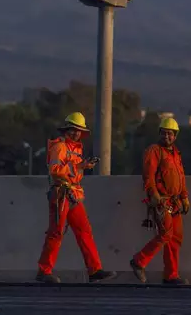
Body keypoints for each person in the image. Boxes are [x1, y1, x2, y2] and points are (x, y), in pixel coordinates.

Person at [36, 112, 117, 284]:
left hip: (73, 196)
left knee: (84, 232)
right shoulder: (59, 147)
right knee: (56, 233)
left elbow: (71, 172)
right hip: (61, 194)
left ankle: (94, 270)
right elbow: (55, 171)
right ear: (66, 130)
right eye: (73, 130)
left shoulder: (76, 149)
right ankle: (44, 271)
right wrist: (80, 166)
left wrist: (82, 166)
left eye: (78, 130)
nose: (75, 133)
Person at [130, 117, 190, 285]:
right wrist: (153, 194)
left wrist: (184, 197)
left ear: (175, 136)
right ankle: (139, 261)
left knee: (175, 237)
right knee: (166, 234)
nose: (166, 137)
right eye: (164, 133)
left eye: (170, 134)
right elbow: (148, 175)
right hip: (161, 201)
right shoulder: (154, 151)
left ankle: (171, 275)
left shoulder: (176, 154)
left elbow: (181, 177)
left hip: (175, 202)